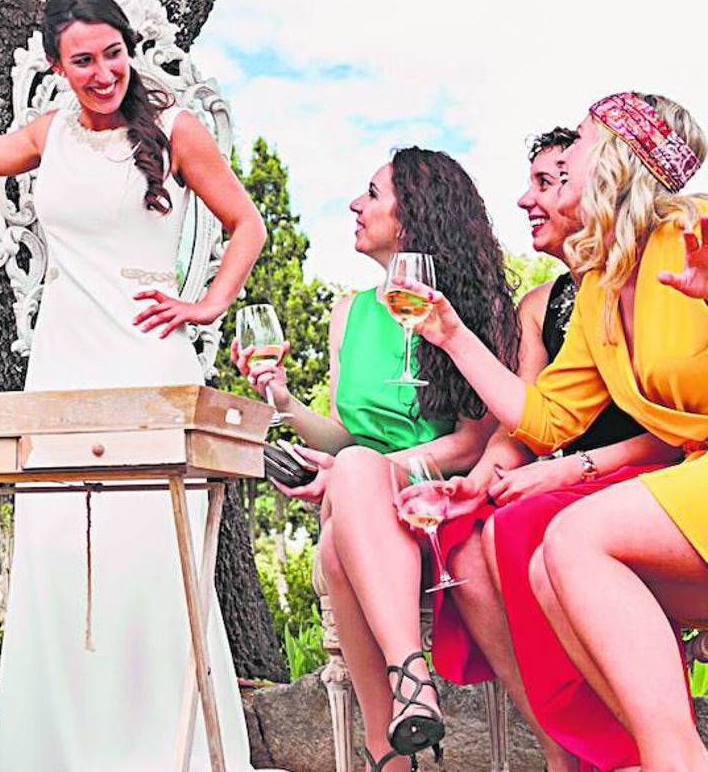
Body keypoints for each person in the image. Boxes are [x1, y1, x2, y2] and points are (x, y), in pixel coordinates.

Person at [0, 0, 266, 770]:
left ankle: (170, 750)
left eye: (112, 54)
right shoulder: (48, 134)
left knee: (153, 560)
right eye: (83, 60)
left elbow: (248, 224)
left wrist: (206, 305)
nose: (103, 72)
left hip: (147, 357)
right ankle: (64, 751)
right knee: (62, 552)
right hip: (62, 360)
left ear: (126, 50)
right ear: (57, 64)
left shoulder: (175, 128)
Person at [411, 91, 708, 771]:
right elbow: (547, 417)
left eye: (577, 142)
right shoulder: (603, 285)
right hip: (695, 486)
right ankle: (646, 754)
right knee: (549, 566)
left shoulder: (699, 230)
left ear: (616, 157)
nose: (565, 156)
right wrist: (452, 334)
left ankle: (673, 758)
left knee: (572, 535)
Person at [235, 148, 519, 771]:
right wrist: (281, 399)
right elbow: (341, 435)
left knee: (341, 534)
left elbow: (472, 443)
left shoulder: (481, 311)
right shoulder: (350, 312)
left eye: (371, 193)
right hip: (362, 504)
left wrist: (374, 471)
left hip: (441, 507)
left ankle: (385, 749)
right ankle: (409, 697)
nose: (354, 206)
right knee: (352, 492)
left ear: (413, 217)